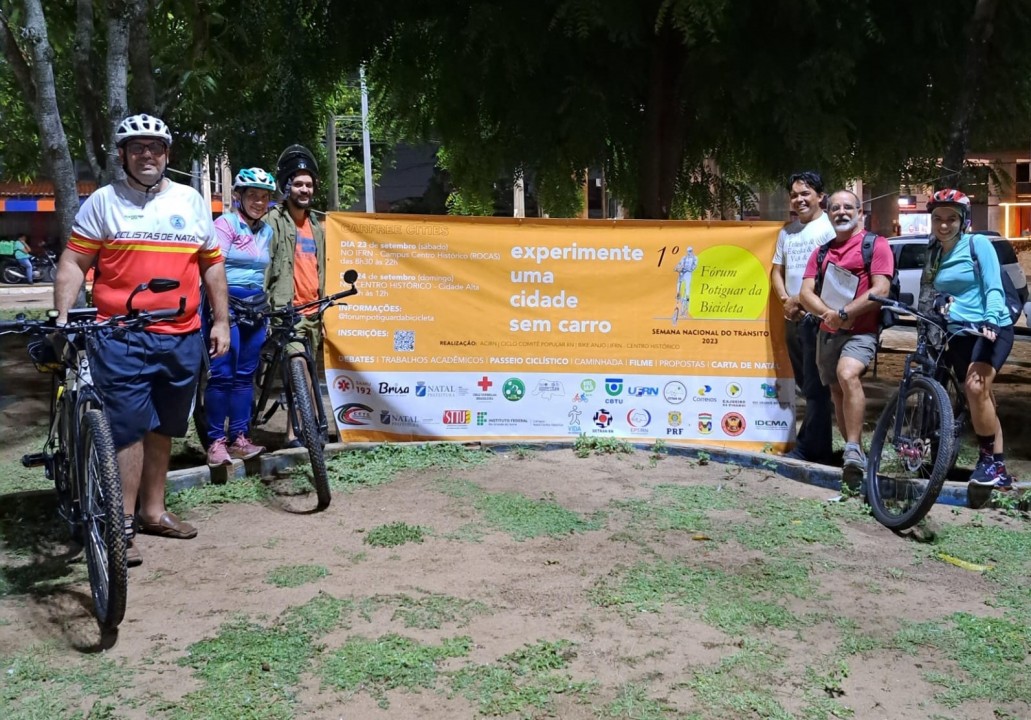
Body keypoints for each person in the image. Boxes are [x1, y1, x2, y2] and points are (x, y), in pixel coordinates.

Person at [53, 113, 230, 566]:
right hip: (122, 337)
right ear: (122, 156)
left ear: (167, 155)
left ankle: (154, 511)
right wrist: (63, 313)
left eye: (155, 147)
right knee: (129, 427)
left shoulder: (191, 201)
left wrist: (221, 322)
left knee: (166, 425)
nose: (146, 154)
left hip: (182, 336)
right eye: (137, 148)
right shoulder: (103, 203)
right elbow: (75, 263)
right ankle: (121, 524)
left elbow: (211, 265)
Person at [799, 190, 893, 491]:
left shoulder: (875, 245)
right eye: (835, 208)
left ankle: (852, 446)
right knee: (836, 391)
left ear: (860, 213)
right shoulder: (821, 252)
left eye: (848, 207)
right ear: (828, 214)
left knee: (847, 373)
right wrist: (830, 314)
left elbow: (881, 289)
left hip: (861, 332)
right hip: (827, 333)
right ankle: (854, 453)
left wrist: (846, 313)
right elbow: (805, 293)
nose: (841, 212)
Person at [921, 189, 1014, 489]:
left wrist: (991, 319)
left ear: (963, 221)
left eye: (951, 219)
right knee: (980, 395)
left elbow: (994, 287)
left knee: (975, 387)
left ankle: (988, 462)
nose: (944, 224)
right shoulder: (934, 251)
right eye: (938, 218)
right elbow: (941, 291)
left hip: (990, 328)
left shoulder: (978, 244)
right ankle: (1000, 469)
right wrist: (940, 302)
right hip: (959, 332)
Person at [203, 168, 277, 466]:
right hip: (227, 304)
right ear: (239, 196)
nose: (259, 202)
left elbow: (264, 273)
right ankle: (215, 442)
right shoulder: (226, 224)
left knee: (246, 376)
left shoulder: (267, 231)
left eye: (264, 197)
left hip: (256, 307)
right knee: (223, 374)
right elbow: (214, 266)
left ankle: (239, 438)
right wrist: (217, 311)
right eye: (252, 195)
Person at [771, 171, 836, 463]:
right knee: (806, 385)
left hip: (818, 319)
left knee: (817, 387)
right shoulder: (787, 232)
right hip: (793, 318)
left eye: (805, 193)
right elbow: (776, 271)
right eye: (795, 195)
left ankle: (813, 449)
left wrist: (802, 301)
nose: (799, 199)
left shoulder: (830, 228)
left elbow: (832, 275)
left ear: (820, 196)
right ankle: (814, 446)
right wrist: (786, 300)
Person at [265, 145, 325, 448]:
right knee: (297, 363)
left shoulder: (316, 226)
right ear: (287, 186)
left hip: (315, 310)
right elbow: (263, 264)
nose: (304, 189)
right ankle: (300, 431)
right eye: (298, 183)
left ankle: (298, 431)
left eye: (309, 184)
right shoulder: (274, 222)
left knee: (305, 373)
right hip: (286, 311)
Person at [673, 246, 698, 317]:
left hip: (688, 273)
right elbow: (679, 264)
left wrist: (689, 269)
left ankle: (686, 297)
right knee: (679, 282)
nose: (689, 252)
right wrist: (676, 268)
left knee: (687, 286)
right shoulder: (684, 258)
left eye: (690, 251)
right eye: (688, 251)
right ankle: (678, 293)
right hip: (682, 272)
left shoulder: (694, 258)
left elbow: (694, 266)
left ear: (692, 251)